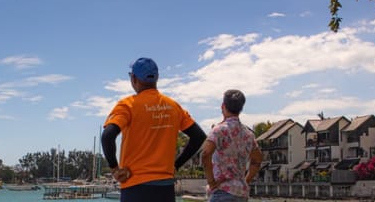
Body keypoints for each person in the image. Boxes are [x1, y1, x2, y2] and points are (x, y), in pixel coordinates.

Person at [101, 57, 206, 202]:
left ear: (134, 79)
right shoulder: (173, 106)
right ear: (157, 78)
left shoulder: (128, 105)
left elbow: (107, 136)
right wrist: (176, 164)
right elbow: (199, 136)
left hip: (135, 186)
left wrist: (114, 168)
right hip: (165, 188)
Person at [201, 89, 262, 202]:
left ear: (223, 106)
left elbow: (205, 154)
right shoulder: (248, 134)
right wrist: (245, 180)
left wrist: (211, 182)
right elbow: (257, 160)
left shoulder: (218, 130)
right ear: (240, 109)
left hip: (222, 190)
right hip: (241, 193)